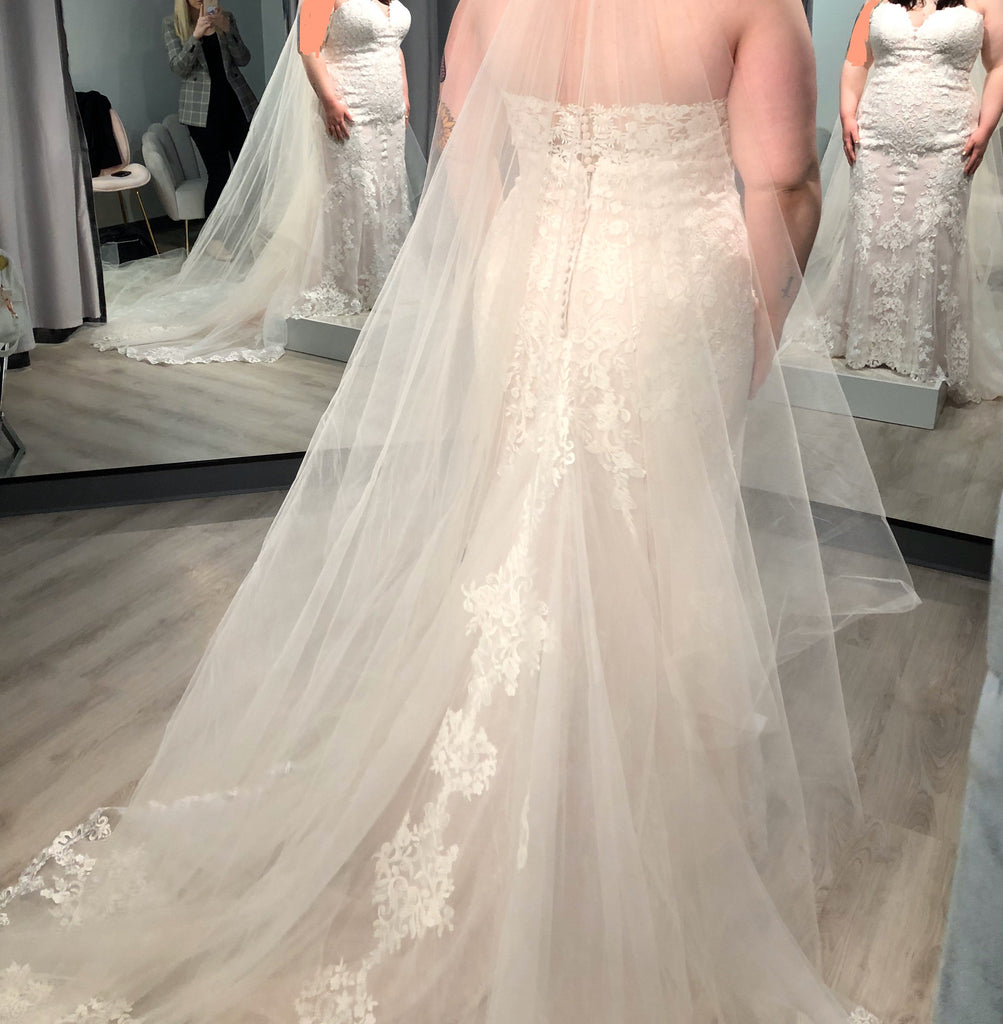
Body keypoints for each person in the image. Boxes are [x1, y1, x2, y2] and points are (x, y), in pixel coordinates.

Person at [1, 1, 918, 1022]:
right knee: (656, 551)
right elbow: (783, 186)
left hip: (525, 272)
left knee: (521, 537)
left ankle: (535, 809)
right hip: (663, 295)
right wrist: (755, 334)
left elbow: (460, 138)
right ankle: (621, 840)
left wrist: (500, 270)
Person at [90, 0, 419, 364]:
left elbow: (392, 46)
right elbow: (308, 47)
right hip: (345, 107)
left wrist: (403, 96)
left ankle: (378, 276)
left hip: (387, 112)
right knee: (350, 195)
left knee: (388, 192)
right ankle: (341, 281)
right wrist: (328, 101)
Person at [787, 0, 1003, 401]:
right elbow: (856, 60)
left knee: (932, 240)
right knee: (871, 235)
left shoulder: (988, 2)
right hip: (877, 137)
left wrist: (986, 126)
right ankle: (864, 339)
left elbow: (999, 66)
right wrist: (848, 113)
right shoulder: (878, 0)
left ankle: (924, 348)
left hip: (948, 141)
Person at [164, 0, 259, 218]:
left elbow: (243, 59)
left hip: (235, 105)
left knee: (248, 170)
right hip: (201, 114)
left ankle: (248, 228)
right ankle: (213, 234)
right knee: (219, 174)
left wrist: (227, 29)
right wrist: (195, 36)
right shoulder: (173, 24)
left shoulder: (226, 17)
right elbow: (179, 68)